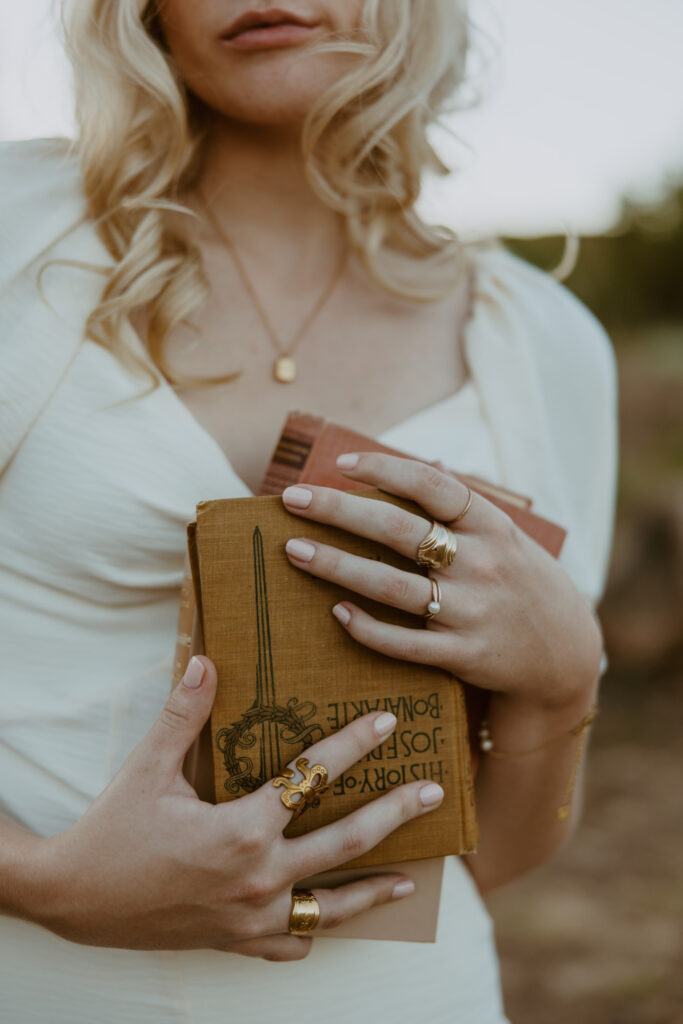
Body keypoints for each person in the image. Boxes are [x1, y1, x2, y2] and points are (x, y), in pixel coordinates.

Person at [0, 1, 618, 1021]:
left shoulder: (540, 345)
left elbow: (486, 861)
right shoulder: (17, 237)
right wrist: (48, 883)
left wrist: (559, 682)